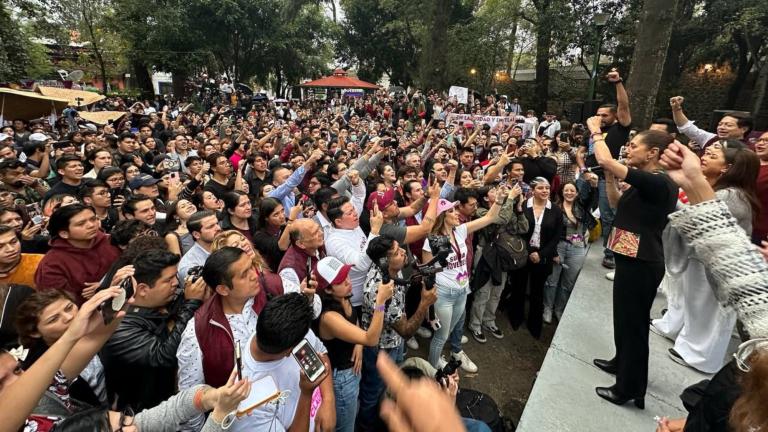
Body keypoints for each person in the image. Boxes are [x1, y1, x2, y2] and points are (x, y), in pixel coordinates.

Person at [588, 119, 678, 408]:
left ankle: (629, 388)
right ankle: (621, 362)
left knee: (635, 325)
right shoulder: (642, 181)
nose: (628, 148)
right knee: (624, 320)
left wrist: (596, 132)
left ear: (652, 152)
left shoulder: (658, 181)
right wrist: (610, 177)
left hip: (642, 263)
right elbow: (615, 203)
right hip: (629, 257)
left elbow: (603, 155)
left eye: (634, 145)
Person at [651, 140, 759, 373]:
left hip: (720, 264)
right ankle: (674, 330)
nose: (706, 155)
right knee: (688, 301)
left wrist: (667, 199)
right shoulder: (718, 189)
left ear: (727, 168)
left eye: (714, 154)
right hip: (699, 256)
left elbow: (700, 219)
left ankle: (700, 356)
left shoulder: (732, 196)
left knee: (709, 312)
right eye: (706, 152)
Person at [100, 249, 207, 411]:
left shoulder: (159, 304)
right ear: (143, 289)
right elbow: (162, 358)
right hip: (144, 413)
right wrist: (191, 304)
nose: (176, 283)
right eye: (169, 280)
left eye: (175, 276)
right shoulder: (120, 326)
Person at [358, 235, 437, 431]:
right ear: (384, 261)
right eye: (396, 253)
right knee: (373, 394)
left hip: (392, 341)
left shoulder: (393, 270)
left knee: (388, 387)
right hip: (381, 349)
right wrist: (425, 303)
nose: (403, 252)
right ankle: (368, 427)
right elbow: (407, 331)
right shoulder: (380, 290)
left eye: (400, 248)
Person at [314, 256, 394, 432]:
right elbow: (371, 339)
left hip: (351, 370)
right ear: (327, 290)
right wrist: (380, 303)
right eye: (341, 281)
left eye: (347, 276)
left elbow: (354, 323)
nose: (349, 283)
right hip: (341, 378)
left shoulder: (343, 296)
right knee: (345, 427)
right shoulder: (329, 317)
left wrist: (357, 344)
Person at [233, 293, 335, 432]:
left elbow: (321, 353)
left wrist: (328, 401)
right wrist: (306, 393)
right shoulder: (249, 401)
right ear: (289, 351)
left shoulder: (291, 329)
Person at [423, 197, 503, 372]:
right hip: (444, 294)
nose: (456, 213)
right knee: (441, 335)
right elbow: (427, 275)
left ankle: (437, 359)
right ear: (441, 217)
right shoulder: (431, 240)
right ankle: (432, 368)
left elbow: (489, 218)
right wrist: (429, 306)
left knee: (449, 330)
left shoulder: (460, 230)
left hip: (462, 290)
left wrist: (501, 199)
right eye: (451, 211)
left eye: (455, 209)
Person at [14, 290, 109, 406]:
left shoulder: (91, 326)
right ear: (35, 333)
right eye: (53, 319)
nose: (69, 317)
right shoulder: (42, 368)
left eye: (69, 308)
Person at [582, 70, 632, 271]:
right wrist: (584, 170)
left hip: (608, 178)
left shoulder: (620, 129)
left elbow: (624, 106)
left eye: (605, 115)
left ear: (615, 117)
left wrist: (618, 82)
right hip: (588, 174)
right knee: (580, 205)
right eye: (598, 115)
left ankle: (611, 253)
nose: (601, 118)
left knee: (609, 215)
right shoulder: (595, 132)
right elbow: (587, 153)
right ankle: (583, 234)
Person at [504, 177, 563, 338]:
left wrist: (541, 254)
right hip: (523, 252)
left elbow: (557, 236)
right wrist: (530, 251)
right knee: (519, 287)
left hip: (543, 256)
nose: (545, 191)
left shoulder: (556, 210)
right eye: (541, 188)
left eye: (547, 188)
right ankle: (515, 318)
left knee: (537, 292)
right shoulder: (523, 206)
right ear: (532, 190)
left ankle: (534, 324)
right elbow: (517, 230)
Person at [469, 184, 526, 343]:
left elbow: (523, 228)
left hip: (503, 253)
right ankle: (475, 324)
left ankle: (489, 320)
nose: (500, 192)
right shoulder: (481, 211)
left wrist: (519, 207)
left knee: (497, 290)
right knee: (483, 291)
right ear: (486, 198)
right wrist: (509, 199)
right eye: (494, 191)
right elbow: (501, 219)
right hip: (487, 253)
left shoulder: (509, 207)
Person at [34, 204, 121, 304]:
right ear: (64, 234)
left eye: (93, 219)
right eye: (81, 224)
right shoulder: (52, 263)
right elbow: (57, 302)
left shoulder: (112, 240)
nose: (91, 225)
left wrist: (105, 284)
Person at [542, 174, 598, 323]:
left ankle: (559, 309)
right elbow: (549, 232)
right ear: (561, 192)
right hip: (559, 246)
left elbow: (592, 199)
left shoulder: (581, 207)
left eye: (572, 190)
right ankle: (547, 308)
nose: (569, 193)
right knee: (552, 280)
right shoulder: (554, 208)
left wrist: (593, 186)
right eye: (566, 190)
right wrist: (553, 252)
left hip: (577, 248)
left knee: (568, 282)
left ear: (577, 193)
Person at [325, 195, 383, 310]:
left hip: (375, 291)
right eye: (350, 212)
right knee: (371, 326)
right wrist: (374, 231)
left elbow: (359, 196)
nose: (355, 213)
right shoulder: (334, 242)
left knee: (383, 319)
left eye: (353, 209)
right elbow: (361, 264)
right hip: (358, 302)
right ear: (338, 221)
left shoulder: (353, 225)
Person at [670, 96, 753, 149]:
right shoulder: (711, 139)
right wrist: (676, 109)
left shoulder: (748, 150)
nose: (721, 127)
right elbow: (686, 127)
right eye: (720, 124)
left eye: (728, 125)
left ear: (744, 129)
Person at [178, 210, 222, 283]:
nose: (218, 228)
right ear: (196, 234)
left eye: (217, 223)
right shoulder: (189, 265)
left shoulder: (229, 244)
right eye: (211, 227)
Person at [252, 197, 295, 272]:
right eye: (276, 214)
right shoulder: (259, 236)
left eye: (282, 211)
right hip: (274, 272)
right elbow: (282, 246)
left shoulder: (286, 224)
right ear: (266, 218)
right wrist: (291, 221)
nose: (282, 216)